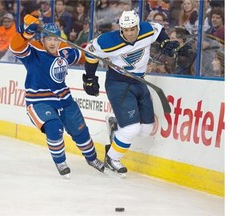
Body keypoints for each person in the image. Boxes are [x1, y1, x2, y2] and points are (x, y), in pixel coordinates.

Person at [82, 10, 183, 175]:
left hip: (139, 82)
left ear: (137, 27)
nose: (129, 33)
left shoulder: (146, 30)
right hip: (118, 83)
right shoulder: (107, 41)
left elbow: (158, 29)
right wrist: (89, 78)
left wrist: (164, 42)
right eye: (125, 30)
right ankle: (112, 159)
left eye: (132, 29)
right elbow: (90, 53)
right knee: (131, 129)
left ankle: (116, 127)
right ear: (121, 28)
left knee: (146, 130)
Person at [9, 14, 105, 177]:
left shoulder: (66, 52)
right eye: (49, 39)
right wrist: (25, 34)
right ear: (42, 40)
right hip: (39, 101)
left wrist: (98, 52)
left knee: (80, 131)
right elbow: (15, 47)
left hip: (65, 100)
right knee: (54, 127)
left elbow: (85, 56)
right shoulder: (33, 53)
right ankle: (60, 162)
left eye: (56, 39)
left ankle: (92, 158)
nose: (53, 42)